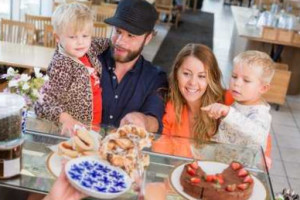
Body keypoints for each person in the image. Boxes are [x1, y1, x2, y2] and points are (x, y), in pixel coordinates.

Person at [34, 3, 109, 134]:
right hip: (73, 132)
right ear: (57, 37)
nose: (80, 42)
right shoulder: (61, 65)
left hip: (94, 125)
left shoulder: (88, 48)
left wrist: (116, 42)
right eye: (73, 37)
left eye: (85, 36)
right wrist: (65, 119)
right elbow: (42, 103)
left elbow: (104, 43)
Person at [99, 0, 168, 133]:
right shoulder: (92, 59)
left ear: (147, 39)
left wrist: (143, 120)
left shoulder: (155, 77)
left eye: (131, 35)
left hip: (125, 151)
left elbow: (155, 120)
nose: (120, 42)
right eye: (118, 31)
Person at [202, 50, 275, 152]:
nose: (237, 83)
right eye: (234, 76)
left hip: (243, 166)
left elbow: (258, 135)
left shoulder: (260, 113)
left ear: (263, 88)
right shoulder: (239, 102)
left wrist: (228, 113)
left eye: (246, 80)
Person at [162, 43, 224, 141]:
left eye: (201, 76)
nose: (193, 83)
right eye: (186, 74)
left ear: (212, 78)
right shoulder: (166, 107)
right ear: (176, 73)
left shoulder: (227, 105)